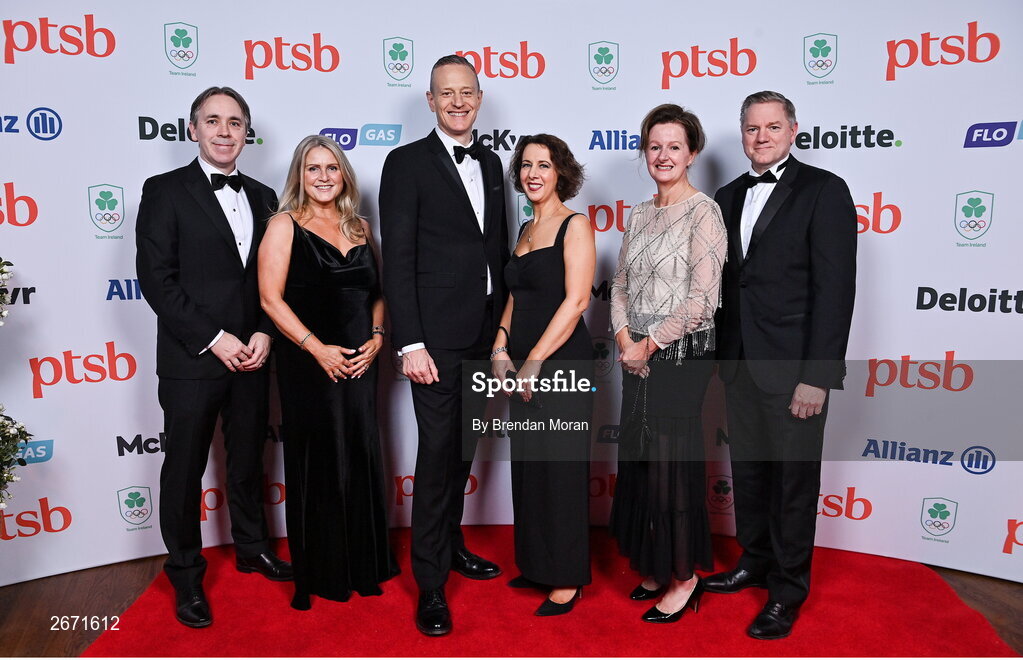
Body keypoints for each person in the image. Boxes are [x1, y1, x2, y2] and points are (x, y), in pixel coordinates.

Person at [135, 86, 292, 629]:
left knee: (248, 458)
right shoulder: (164, 190)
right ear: (194, 129)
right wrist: (214, 338)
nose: (225, 131)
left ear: (246, 131)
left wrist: (266, 333)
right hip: (193, 358)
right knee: (183, 469)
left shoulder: (268, 195)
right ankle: (184, 573)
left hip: (254, 353)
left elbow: (278, 280)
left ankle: (252, 547)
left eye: (234, 122)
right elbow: (157, 279)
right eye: (213, 121)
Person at [708, 90, 856, 640]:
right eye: (751, 128)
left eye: (773, 127)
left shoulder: (824, 191)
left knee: (793, 481)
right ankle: (755, 561)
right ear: (742, 133)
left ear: (794, 130)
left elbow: (836, 291)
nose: (761, 136)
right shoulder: (726, 195)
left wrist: (818, 376)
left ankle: (788, 591)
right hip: (740, 361)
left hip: (795, 368)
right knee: (749, 472)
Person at [379, 54, 510, 636]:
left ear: (478, 98)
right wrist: (408, 343)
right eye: (445, 94)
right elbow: (399, 260)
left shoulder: (490, 159)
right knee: (435, 459)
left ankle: (451, 543)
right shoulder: (404, 163)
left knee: (461, 451)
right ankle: (430, 583)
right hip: (432, 340)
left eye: (467, 93)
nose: (457, 102)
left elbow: (498, 253)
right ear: (430, 101)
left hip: (484, 335)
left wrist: (507, 335)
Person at [257, 135, 400, 610]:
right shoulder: (283, 225)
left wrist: (378, 337)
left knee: (359, 453)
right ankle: (322, 569)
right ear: (300, 175)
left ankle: (363, 563)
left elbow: (377, 291)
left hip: (360, 363)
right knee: (317, 460)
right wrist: (316, 349)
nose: (323, 177)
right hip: (308, 366)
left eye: (332, 168)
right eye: (313, 168)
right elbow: (270, 299)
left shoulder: (359, 226)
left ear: (344, 176)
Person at [608, 104, 726, 624]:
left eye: (674, 146)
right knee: (640, 461)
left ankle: (684, 577)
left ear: (692, 153)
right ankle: (656, 562)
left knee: (671, 467)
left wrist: (647, 344)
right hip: (635, 352)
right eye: (654, 146)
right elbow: (619, 287)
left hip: (679, 357)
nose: (663, 155)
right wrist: (621, 336)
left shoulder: (705, 212)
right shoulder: (638, 213)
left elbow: (703, 301)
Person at [490, 134, 595, 616]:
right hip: (520, 363)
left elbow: (576, 302)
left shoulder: (576, 225)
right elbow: (516, 294)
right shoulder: (524, 231)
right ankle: (536, 563)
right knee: (530, 466)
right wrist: (500, 346)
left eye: (545, 165)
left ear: (561, 174)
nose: (534, 173)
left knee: (562, 470)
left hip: (562, 363)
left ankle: (566, 577)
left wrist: (533, 362)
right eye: (527, 165)